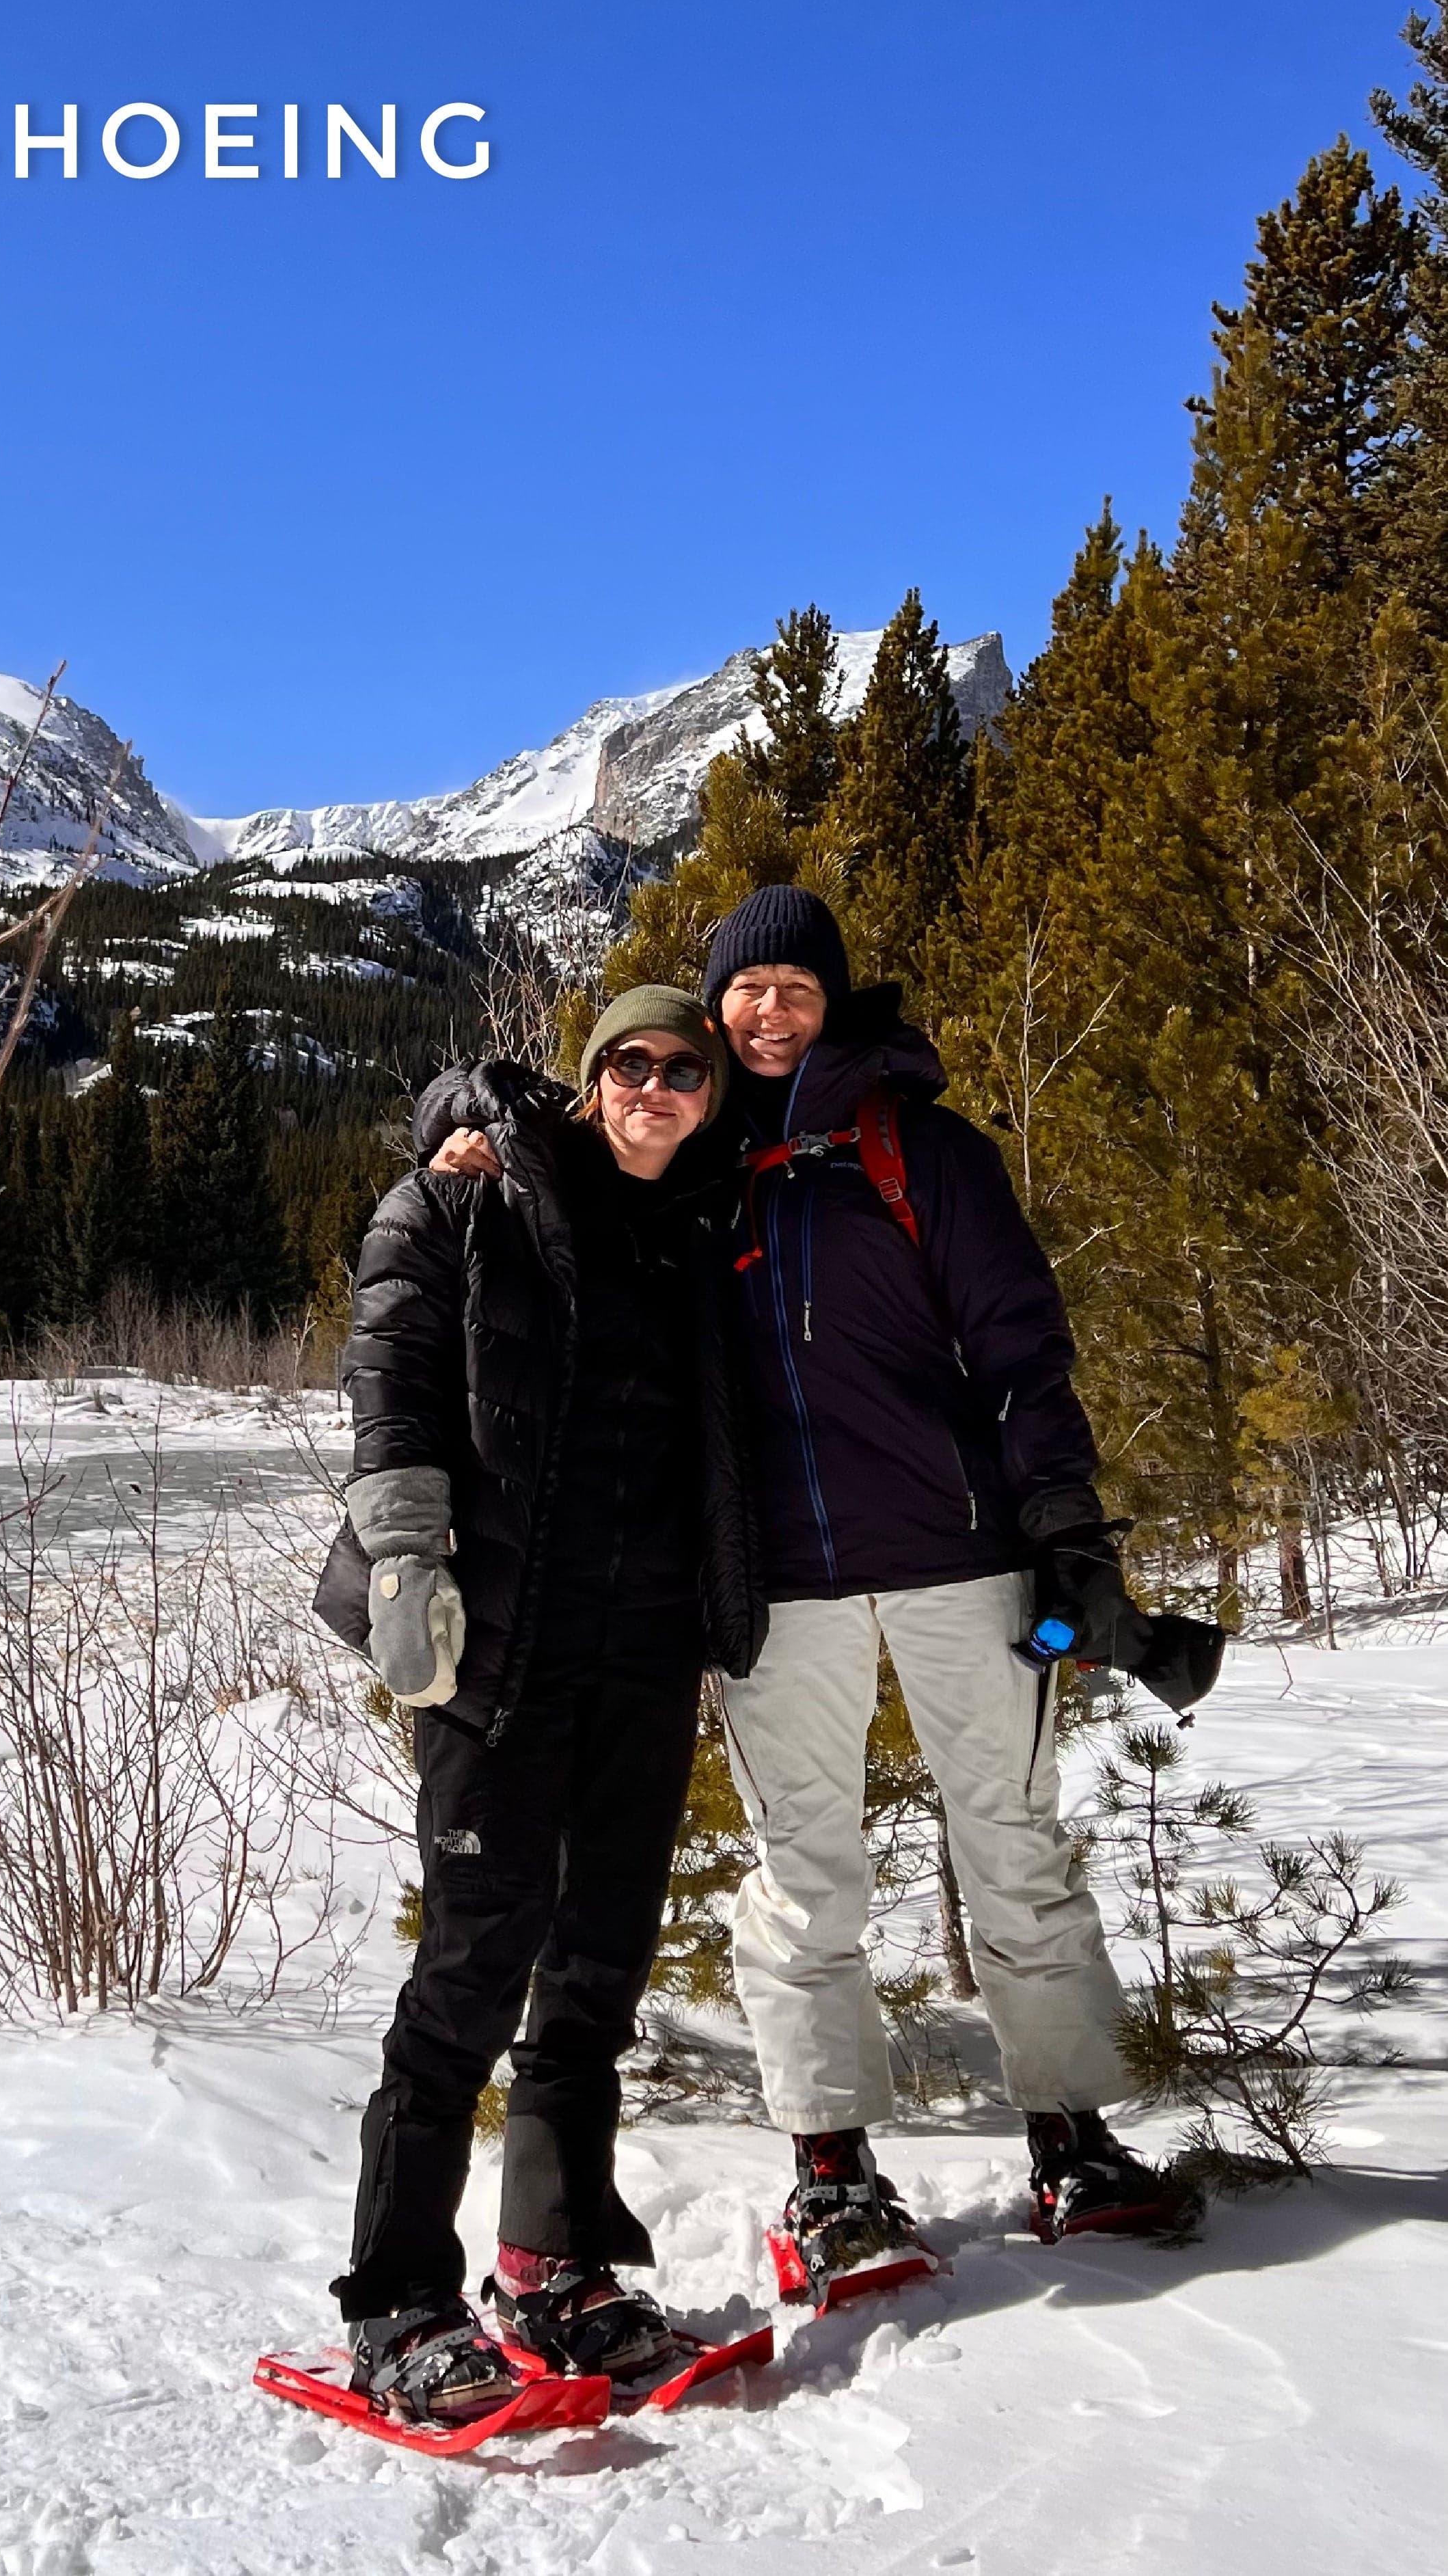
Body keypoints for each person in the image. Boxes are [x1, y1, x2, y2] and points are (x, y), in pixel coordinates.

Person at [425, 887, 1182, 2296]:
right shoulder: (693, 1153)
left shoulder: (922, 1150)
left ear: (833, 1001)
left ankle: (1071, 2137)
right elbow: (550, 1133)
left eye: (795, 987)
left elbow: (1021, 1346)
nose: (768, 1012)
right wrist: (457, 1116)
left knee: (1014, 1847)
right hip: (775, 1580)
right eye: (745, 989)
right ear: (712, 1010)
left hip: (960, 1556)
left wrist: (1065, 1526)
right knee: (803, 1873)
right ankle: (829, 2166)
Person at [314, 986, 765, 2424]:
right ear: (587, 1080)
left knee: (594, 1972)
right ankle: (396, 2300)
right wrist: (403, 1555)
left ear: (707, 1096)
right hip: (493, 1649)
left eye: (681, 1069)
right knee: (470, 1969)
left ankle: (555, 2267)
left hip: (644, 1652)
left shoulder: (699, 1230)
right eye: (627, 1062)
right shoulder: (463, 1201)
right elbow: (389, 1376)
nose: (652, 1086)